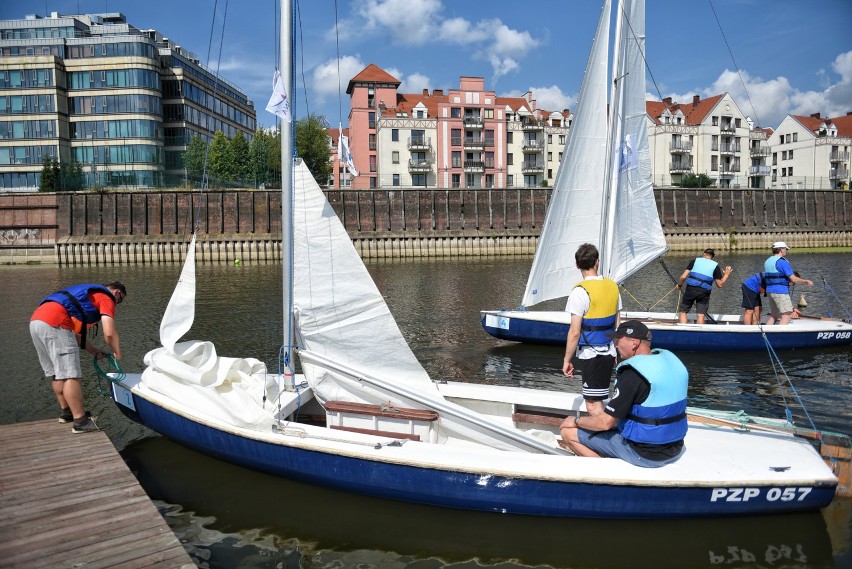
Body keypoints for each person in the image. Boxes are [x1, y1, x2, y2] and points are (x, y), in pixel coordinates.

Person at [559, 320, 688, 468]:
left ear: (633, 343)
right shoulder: (671, 363)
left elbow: (605, 423)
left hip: (643, 453)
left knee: (567, 432)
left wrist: (575, 420)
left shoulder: (632, 374)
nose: (615, 345)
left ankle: (606, 472)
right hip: (675, 447)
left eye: (617, 340)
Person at [30, 281, 127, 433]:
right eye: (120, 300)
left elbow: (73, 335)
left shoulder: (83, 298)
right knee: (71, 375)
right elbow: (109, 333)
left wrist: (93, 350)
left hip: (37, 321)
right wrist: (117, 352)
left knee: (57, 373)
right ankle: (80, 421)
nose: (117, 303)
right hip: (56, 322)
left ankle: (67, 413)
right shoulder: (106, 297)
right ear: (116, 292)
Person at [562, 243, 621, 416]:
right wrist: (617, 352)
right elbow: (617, 323)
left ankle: (602, 440)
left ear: (577, 265)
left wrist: (567, 360)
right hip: (609, 351)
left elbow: (574, 332)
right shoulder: (613, 286)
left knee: (592, 405)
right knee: (599, 399)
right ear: (597, 262)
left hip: (591, 354)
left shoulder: (579, 292)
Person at [675, 248, 732, 324]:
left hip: (691, 290)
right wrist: (726, 274)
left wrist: (679, 285)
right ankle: (699, 334)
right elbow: (720, 284)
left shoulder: (694, 261)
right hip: (704, 292)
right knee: (701, 315)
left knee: (683, 312)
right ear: (712, 257)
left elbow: (683, 277)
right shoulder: (715, 266)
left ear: (704, 254)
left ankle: (683, 331)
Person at [764, 242, 813, 325]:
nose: (786, 250)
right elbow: (793, 279)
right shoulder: (782, 262)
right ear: (780, 250)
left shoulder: (768, 261)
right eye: (785, 249)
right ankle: (780, 336)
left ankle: (766, 333)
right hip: (780, 291)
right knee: (786, 315)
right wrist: (805, 281)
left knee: (774, 315)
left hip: (770, 291)